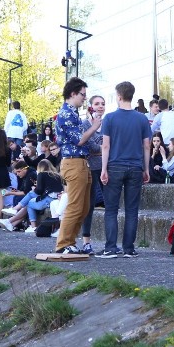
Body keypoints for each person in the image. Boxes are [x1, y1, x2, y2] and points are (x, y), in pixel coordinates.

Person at [97, 81, 151, 258]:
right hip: (135, 167)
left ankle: (111, 248)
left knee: (111, 209)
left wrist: (104, 169)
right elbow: (147, 146)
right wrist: (146, 169)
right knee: (132, 210)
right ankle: (129, 248)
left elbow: (105, 146)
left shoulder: (110, 118)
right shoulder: (142, 118)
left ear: (119, 96)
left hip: (114, 166)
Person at [53, 77, 102, 254]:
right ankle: (63, 244)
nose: (84, 98)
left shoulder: (73, 114)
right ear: (73, 93)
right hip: (74, 163)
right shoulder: (66, 114)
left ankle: (70, 242)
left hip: (81, 163)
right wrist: (95, 127)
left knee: (84, 207)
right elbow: (80, 140)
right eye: (82, 94)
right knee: (75, 205)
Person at [0, 161, 61, 233]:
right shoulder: (57, 175)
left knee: (29, 201)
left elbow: (39, 190)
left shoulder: (41, 174)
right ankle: (11, 223)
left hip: (49, 199)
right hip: (56, 198)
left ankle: (30, 224)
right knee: (30, 198)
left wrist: (35, 189)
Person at [81, 94, 106, 255]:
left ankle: (110, 242)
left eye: (103, 103)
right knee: (89, 205)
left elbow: (109, 144)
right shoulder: (84, 124)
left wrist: (102, 145)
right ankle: (86, 242)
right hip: (90, 167)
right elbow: (92, 146)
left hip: (106, 167)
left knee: (110, 204)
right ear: (91, 106)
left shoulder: (108, 123)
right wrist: (103, 145)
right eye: (97, 103)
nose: (100, 106)